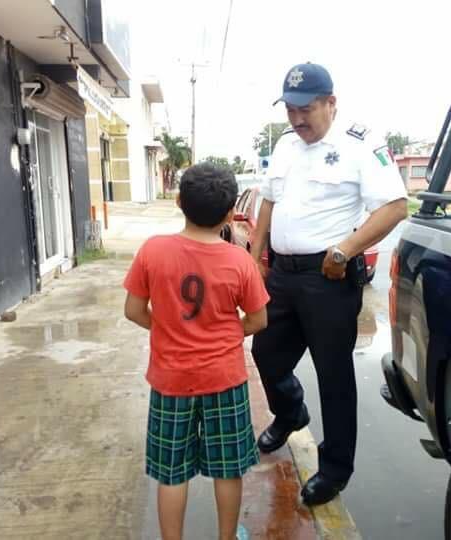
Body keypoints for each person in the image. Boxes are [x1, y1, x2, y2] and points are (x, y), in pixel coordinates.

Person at [250, 63, 408, 506]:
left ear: (331, 103)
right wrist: (255, 256)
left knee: (334, 375)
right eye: (291, 110)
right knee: (266, 353)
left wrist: (343, 251)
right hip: (282, 274)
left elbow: (394, 207)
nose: (297, 120)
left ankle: (336, 467)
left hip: (328, 278)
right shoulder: (284, 145)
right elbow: (269, 199)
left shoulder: (361, 143)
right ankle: (290, 411)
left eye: (306, 110)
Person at [123, 163, 270, 540]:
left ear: (178, 202)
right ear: (227, 214)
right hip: (224, 379)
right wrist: (222, 334)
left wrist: (170, 328)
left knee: (171, 471)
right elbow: (257, 321)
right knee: (227, 468)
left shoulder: (153, 251)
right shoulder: (240, 261)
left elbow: (134, 310)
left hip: (170, 380)